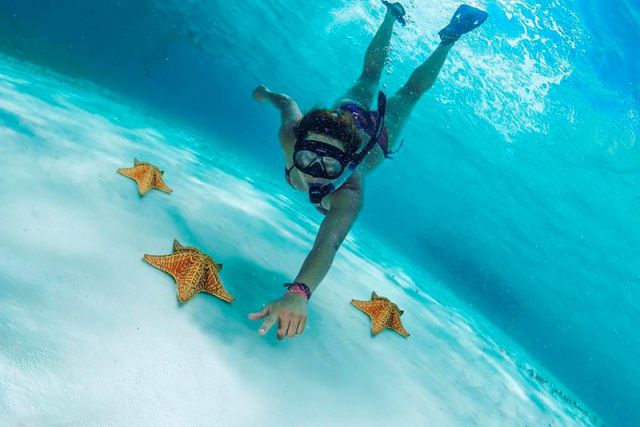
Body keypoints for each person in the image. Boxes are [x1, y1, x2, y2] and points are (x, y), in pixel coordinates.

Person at [249, 2, 488, 339]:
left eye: (330, 165)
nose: (316, 171)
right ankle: (392, 13)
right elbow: (287, 104)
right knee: (369, 76)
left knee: (410, 92)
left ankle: (448, 39)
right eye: (309, 158)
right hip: (347, 113)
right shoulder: (290, 136)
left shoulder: (350, 192)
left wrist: (298, 293)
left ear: (346, 164)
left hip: (378, 135)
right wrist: (267, 94)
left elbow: (327, 244)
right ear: (298, 143)